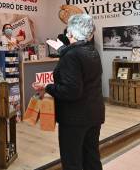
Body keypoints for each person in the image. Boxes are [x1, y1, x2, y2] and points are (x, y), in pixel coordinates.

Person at [34, 14, 105, 170]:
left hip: (75, 119)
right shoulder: (91, 51)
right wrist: (63, 49)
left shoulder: (71, 56)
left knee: (72, 161)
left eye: (68, 31)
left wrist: (47, 87)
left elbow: (71, 91)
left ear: (71, 33)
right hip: (94, 113)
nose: (66, 34)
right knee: (91, 157)